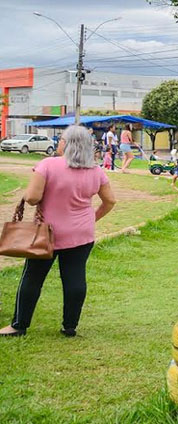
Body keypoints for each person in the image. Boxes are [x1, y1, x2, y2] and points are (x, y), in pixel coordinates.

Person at [0, 125, 117, 337]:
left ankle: (19, 325)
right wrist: (91, 218)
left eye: (61, 139)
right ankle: (69, 326)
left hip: (47, 234)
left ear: (67, 144)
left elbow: (32, 198)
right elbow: (110, 201)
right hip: (82, 234)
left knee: (32, 277)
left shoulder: (48, 165)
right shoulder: (96, 170)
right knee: (75, 278)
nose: (58, 143)